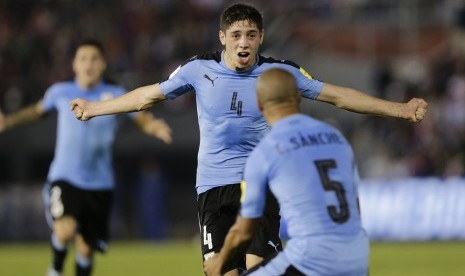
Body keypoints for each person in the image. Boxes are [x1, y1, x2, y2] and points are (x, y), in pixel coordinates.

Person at [70, 3, 427, 275]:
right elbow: (148, 96)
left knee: (258, 266)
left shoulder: (279, 72)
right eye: (237, 35)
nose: (244, 43)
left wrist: (400, 109)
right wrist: (93, 108)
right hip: (211, 187)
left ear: (260, 38)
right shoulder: (198, 69)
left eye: (251, 35)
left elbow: (338, 96)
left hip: (258, 183)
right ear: (222, 37)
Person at [0, 39, 172, 276]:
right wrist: (8, 121)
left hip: (100, 183)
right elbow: (36, 111)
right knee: (65, 230)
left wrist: (153, 126)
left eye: (94, 58)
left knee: (85, 250)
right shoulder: (60, 92)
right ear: (74, 65)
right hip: (65, 176)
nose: (88, 63)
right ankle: (55, 269)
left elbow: (139, 117)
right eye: (83, 58)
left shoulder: (114, 94)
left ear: (102, 65)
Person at [204, 68, 369, 276]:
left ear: (258, 104)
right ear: (298, 97)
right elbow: (355, 207)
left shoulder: (266, 151)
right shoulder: (337, 138)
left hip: (311, 261)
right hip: (357, 258)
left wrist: (219, 263)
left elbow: (243, 232)